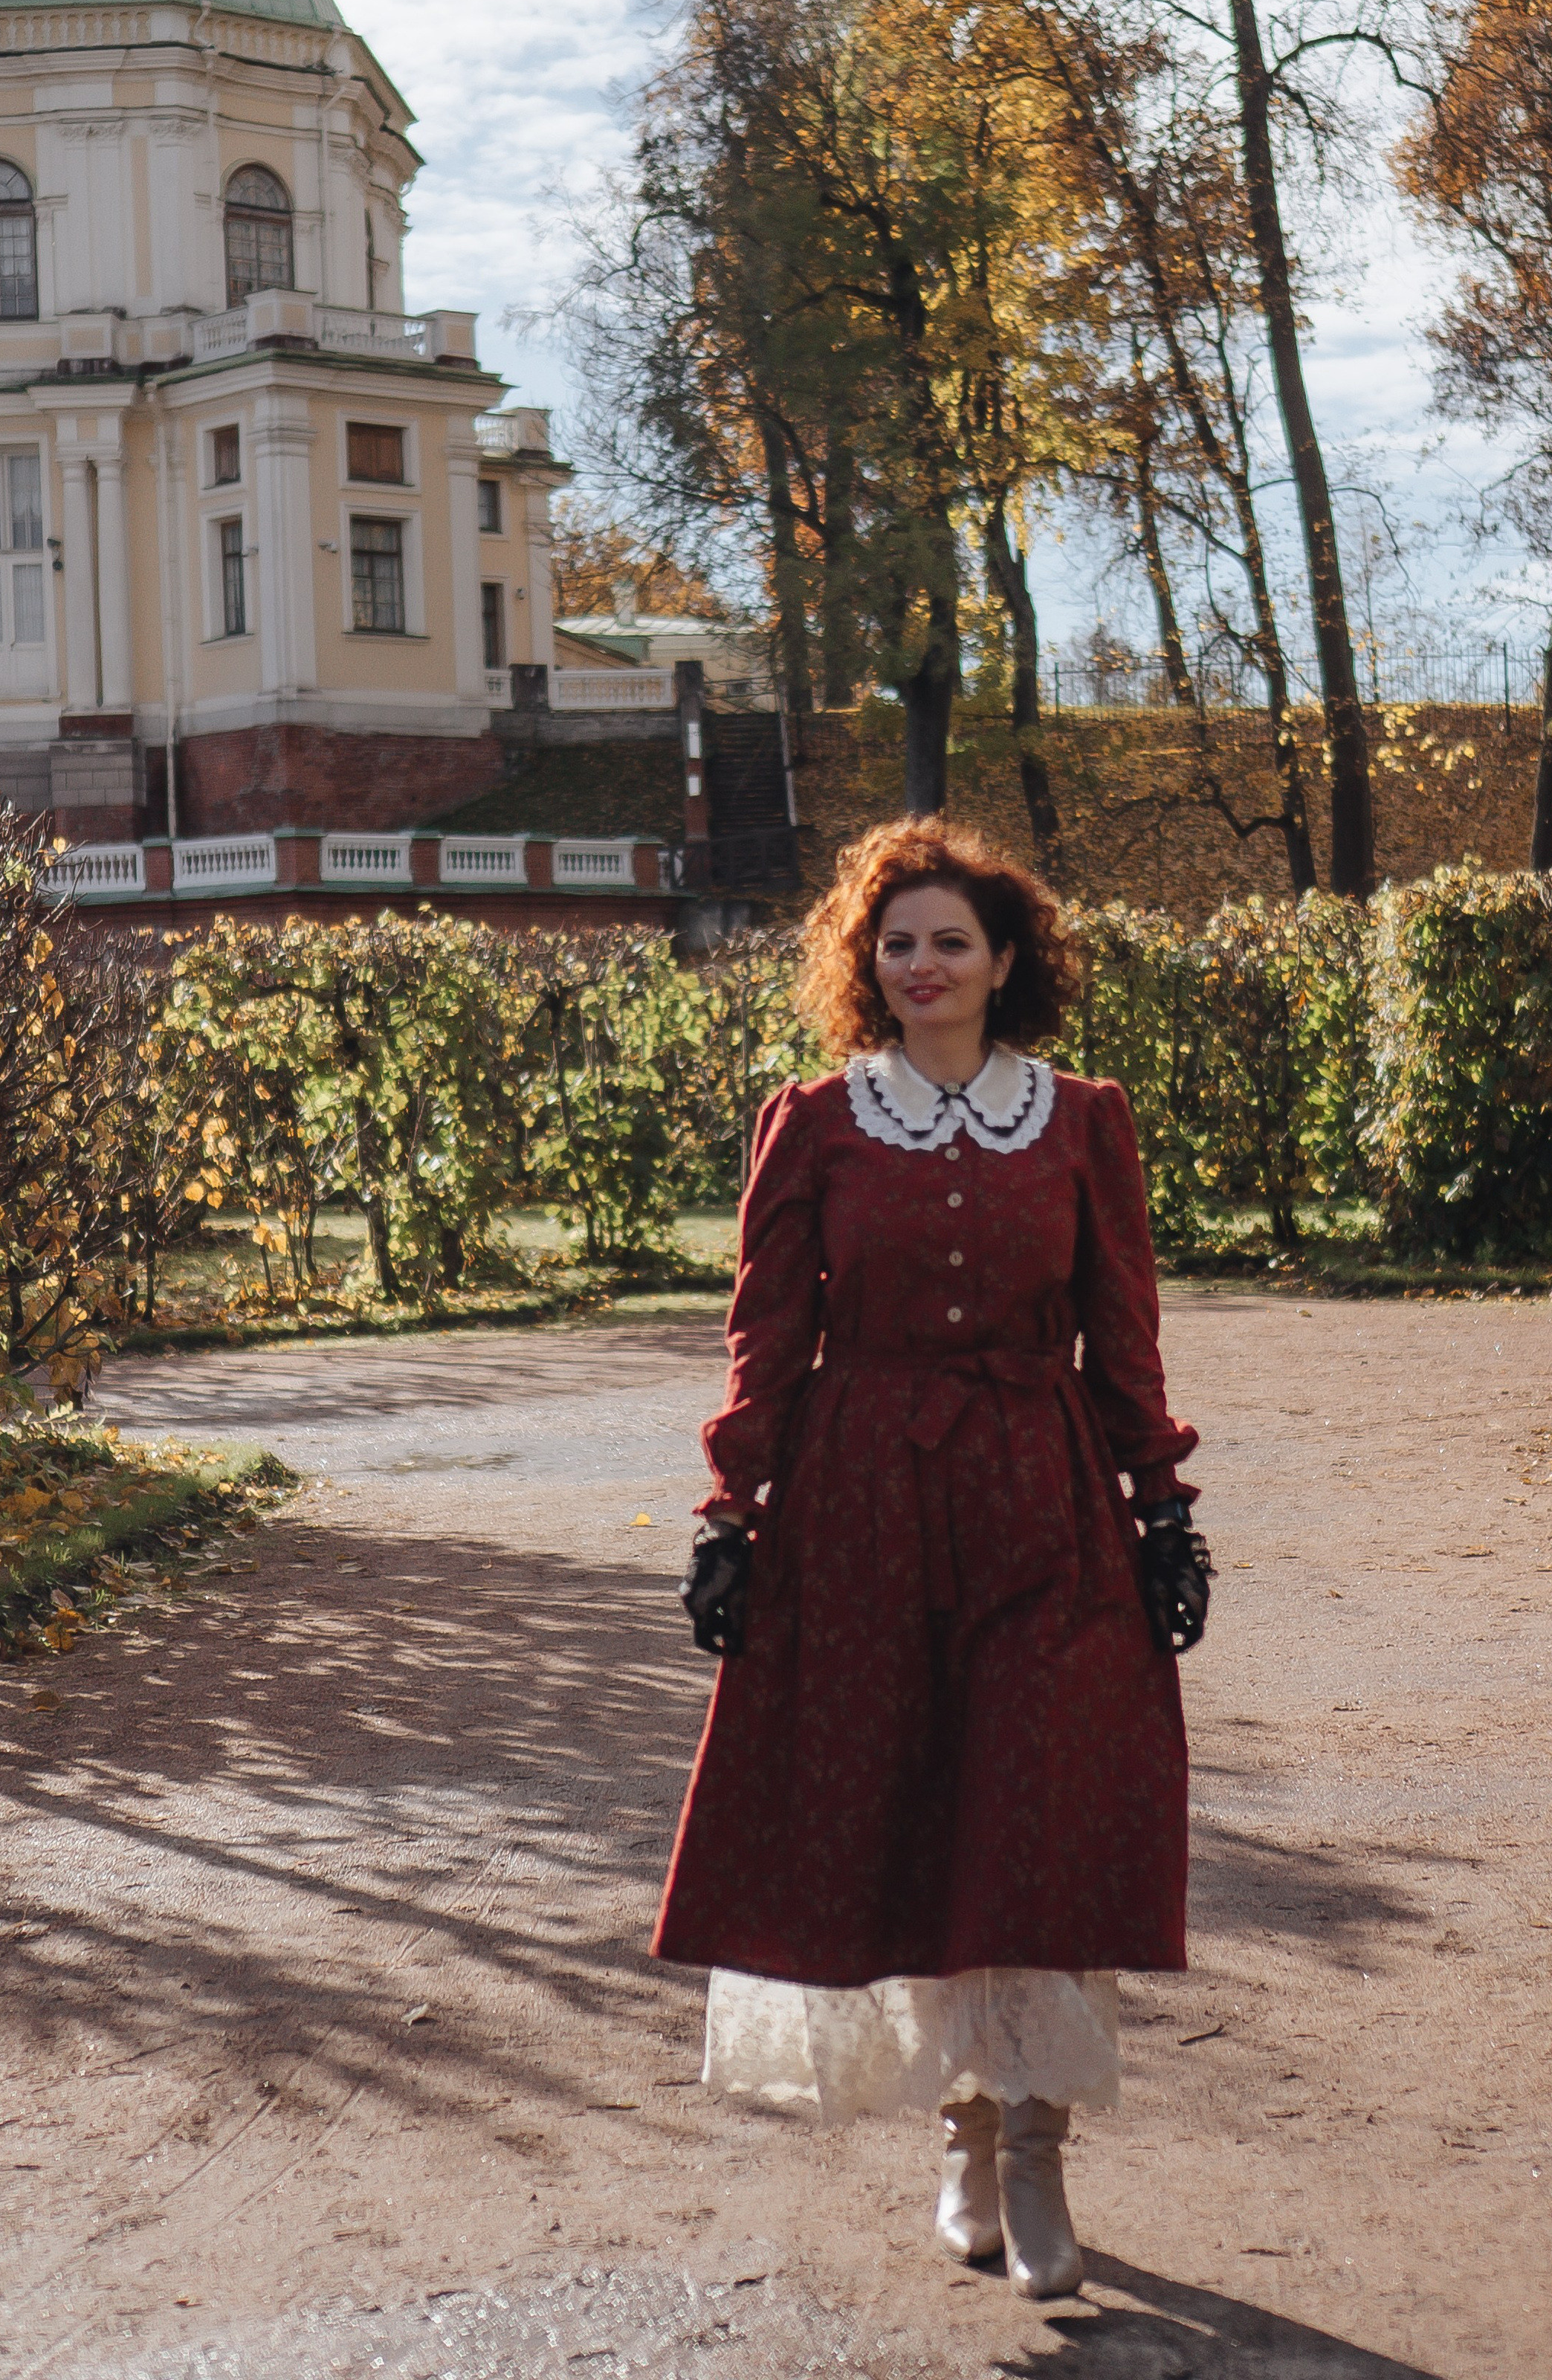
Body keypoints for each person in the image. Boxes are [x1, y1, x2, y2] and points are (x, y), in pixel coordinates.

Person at [652, 818, 1212, 2301]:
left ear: (1003, 961)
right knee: (918, 1819)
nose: (920, 964)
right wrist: (731, 1517)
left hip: (1042, 1500)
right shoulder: (817, 1122)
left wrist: (1161, 1506)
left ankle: (1036, 2156)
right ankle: (963, 2140)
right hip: (863, 1513)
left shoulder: (1084, 1119)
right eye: (894, 942)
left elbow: (1124, 1329)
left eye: (948, 941)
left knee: (1033, 1811)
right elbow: (765, 1339)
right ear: (867, 964)